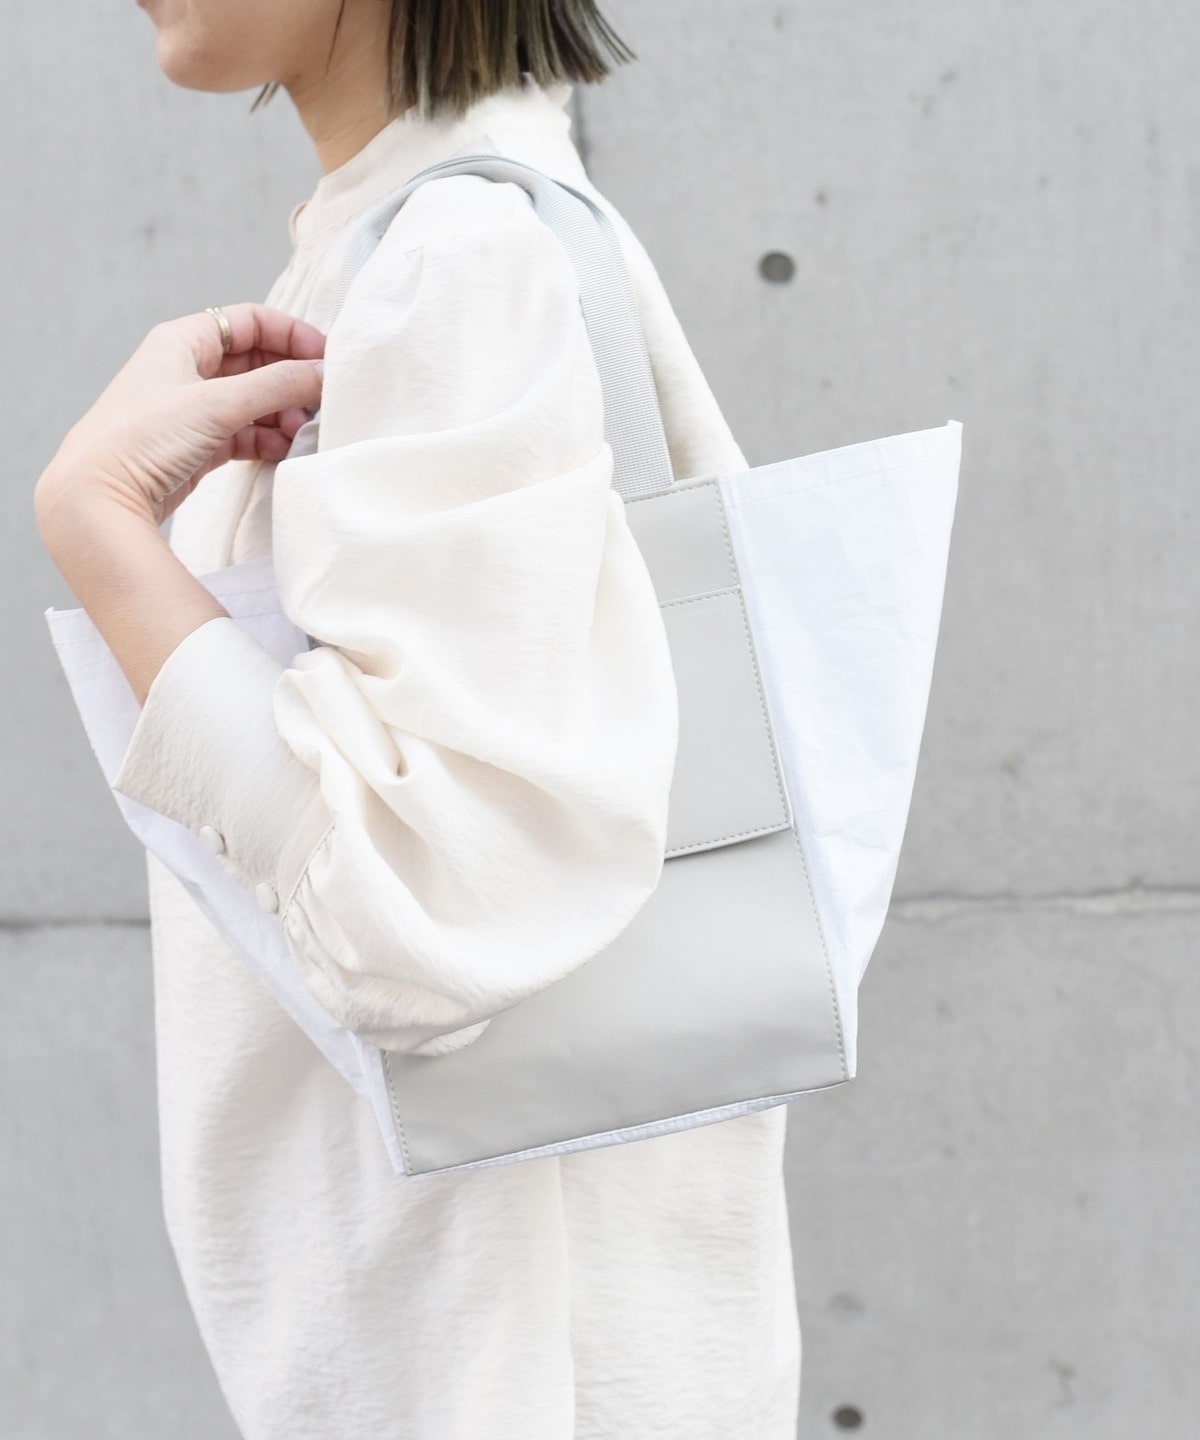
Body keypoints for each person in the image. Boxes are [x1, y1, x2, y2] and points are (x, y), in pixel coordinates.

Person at [35, 2, 802, 1435]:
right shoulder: (408, 245)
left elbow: (422, 904)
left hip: (509, 1365)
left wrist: (96, 524)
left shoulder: (463, 258)